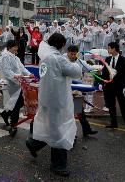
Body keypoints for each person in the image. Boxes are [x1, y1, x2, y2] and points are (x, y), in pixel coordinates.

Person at [26, 33, 82, 177]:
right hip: (58, 100)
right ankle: (58, 165)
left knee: (52, 128)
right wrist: (77, 60)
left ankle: (34, 144)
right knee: (60, 131)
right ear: (62, 45)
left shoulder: (45, 55)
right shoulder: (57, 59)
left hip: (46, 98)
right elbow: (75, 72)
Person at [0, 40, 33, 136]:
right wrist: (15, 76)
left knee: (18, 103)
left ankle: (5, 114)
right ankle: (13, 124)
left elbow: (22, 68)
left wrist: (28, 74)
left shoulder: (15, 57)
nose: (16, 49)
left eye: (16, 47)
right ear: (9, 47)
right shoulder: (5, 57)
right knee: (16, 104)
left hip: (17, 84)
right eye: (14, 47)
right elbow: (6, 71)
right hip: (9, 84)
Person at [65, 45, 99, 136]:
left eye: (75, 54)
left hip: (76, 89)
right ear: (67, 52)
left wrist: (99, 69)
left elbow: (90, 67)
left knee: (79, 110)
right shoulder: (62, 60)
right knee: (66, 113)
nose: (73, 56)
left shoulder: (80, 61)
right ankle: (70, 134)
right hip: (64, 89)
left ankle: (86, 129)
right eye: (71, 54)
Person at [101, 42, 125, 129]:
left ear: (114, 49)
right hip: (109, 86)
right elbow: (105, 72)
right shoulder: (107, 59)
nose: (108, 50)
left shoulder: (124, 60)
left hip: (119, 86)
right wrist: (103, 82)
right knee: (111, 106)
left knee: (123, 106)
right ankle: (113, 123)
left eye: (109, 48)